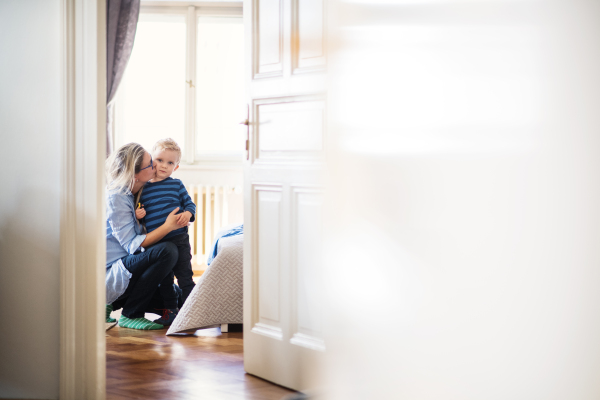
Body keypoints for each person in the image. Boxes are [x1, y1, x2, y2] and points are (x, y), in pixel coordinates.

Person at [105, 142, 183, 330]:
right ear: (135, 175)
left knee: (178, 297)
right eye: (151, 164)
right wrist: (168, 226)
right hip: (115, 271)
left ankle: (108, 305)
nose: (156, 166)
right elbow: (133, 245)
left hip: (132, 265)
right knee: (167, 251)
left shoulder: (138, 191)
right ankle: (131, 313)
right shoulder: (116, 197)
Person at [136, 138, 196, 308]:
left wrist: (187, 213)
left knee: (185, 275)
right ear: (150, 161)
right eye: (159, 160)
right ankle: (170, 311)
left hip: (179, 239)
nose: (163, 165)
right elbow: (137, 211)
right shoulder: (143, 188)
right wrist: (138, 214)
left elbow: (190, 204)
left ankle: (190, 310)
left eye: (169, 163)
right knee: (165, 280)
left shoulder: (176, 185)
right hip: (158, 243)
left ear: (175, 167)